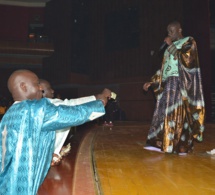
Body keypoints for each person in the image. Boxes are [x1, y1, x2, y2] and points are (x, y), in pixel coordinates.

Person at [0, 69, 111, 195]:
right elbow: (71, 115)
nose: (41, 88)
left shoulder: (10, 113)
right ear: (23, 86)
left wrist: (48, 156)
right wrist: (99, 103)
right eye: (37, 84)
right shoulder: (33, 110)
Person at [143, 21, 205, 154]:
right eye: (168, 31)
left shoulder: (189, 41)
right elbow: (164, 69)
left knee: (179, 114)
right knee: (163, 111)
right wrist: (152, 82)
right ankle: (160, 142)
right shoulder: (167, 49)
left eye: (171, 31)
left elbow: (186, 59)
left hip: (181, 82)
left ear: (180, 29)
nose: (169, 33)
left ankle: (180, 145)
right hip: (168, 83)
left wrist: (170, 45)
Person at [39, 79, 111, 166]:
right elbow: (71, 110)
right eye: (49, 88)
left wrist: (55, 149)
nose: (52, 90)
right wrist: (98, 100)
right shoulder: (39, 108)